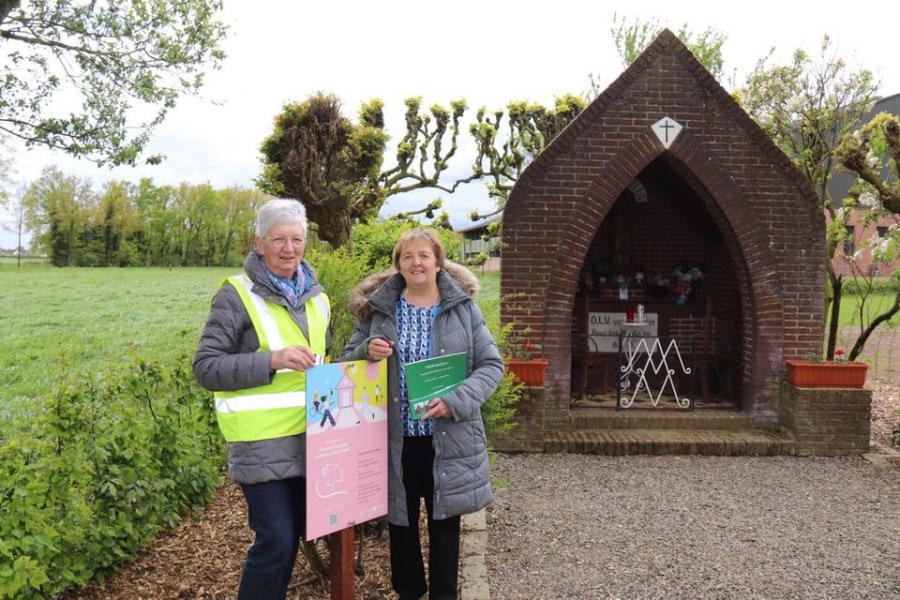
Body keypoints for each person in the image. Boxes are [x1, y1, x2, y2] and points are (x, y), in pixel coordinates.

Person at [341, 229, 503, 600]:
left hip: (447, 436)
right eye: (408, 256)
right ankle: (409, 592)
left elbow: (491, 366)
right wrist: (367, 350)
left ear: (438, 262)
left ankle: (445, 595)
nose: (416, 263)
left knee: (445, 523)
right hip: (395, 437)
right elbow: (346, 361)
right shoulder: (379, 311)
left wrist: (457, 401)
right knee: (401, 523)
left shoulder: (462, 310)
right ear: (398, 264)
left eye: (424, 256)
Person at [193, 198, 330, 600]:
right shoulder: (236, 295)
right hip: (261, 441)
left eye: (297, 239)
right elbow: (206, 367)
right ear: (259, 242)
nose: (289, 249)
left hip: (311, 437)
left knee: (298, 534)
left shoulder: (318, 298)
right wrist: (271, 360)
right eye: (279, 240)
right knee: (277, 540)